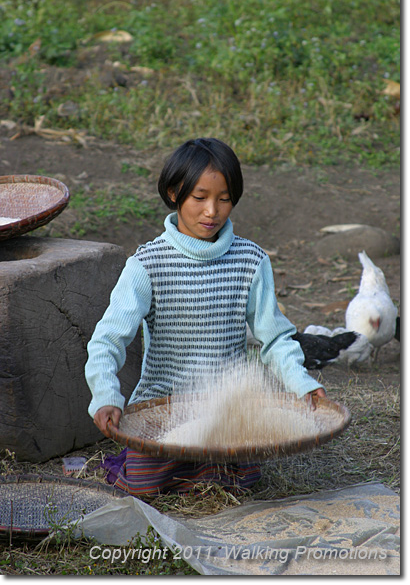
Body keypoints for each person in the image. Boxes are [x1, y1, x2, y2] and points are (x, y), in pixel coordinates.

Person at [85, 137, 326, 496]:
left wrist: (302, 384)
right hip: (162, 408)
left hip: (226, 411)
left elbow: (274, 339)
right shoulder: (147, 265)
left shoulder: (250, 261)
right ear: (173, 193)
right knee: (146, 485)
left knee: (239, 482)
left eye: (224, 198)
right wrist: (106, 394)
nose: (211, 211)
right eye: (199, 198)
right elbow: (108, 339)